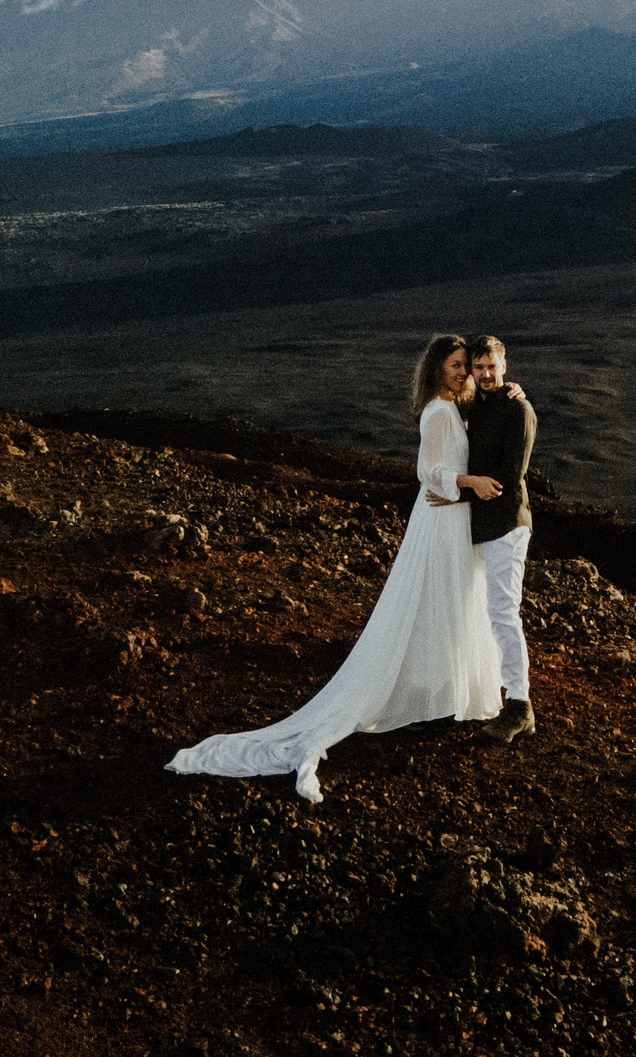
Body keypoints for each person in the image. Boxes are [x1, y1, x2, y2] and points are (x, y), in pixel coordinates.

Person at [165, 334, 504, 802]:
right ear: (436, 370)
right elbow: (425, 472)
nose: (464, 372)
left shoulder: (453, 407)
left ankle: (444, 691)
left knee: (450, 598)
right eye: (455, 365)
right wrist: (468, 483)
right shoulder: (438, 411)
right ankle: (439, 694)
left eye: (466, 364)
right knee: (441, 597)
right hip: (442, 517)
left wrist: (510, 393)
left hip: (451, 513)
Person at [460, 334, 537, 743]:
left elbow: (511, 475)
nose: (487, 374)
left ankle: (520, 706)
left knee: (504, 612)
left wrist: (459, 488)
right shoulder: (478, 407)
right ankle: (491, 692)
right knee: (488, 612)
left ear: (504, 367)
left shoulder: (517, 408)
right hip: (480, 525)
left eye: (493, 367)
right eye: (479, 368)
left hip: (506, 524)